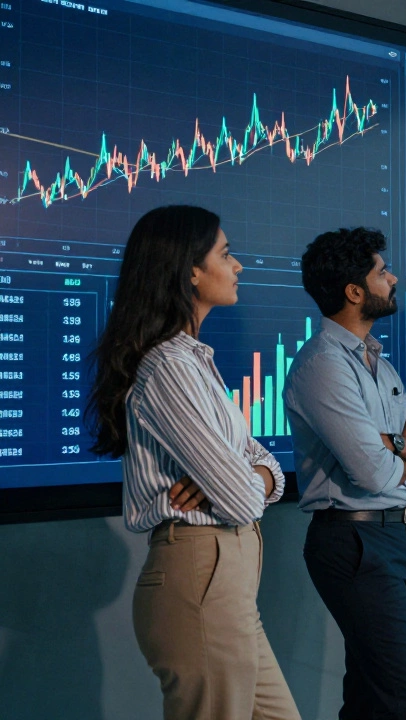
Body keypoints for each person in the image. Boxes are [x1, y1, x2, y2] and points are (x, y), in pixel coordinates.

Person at [87, 205, 300, 720]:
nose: (238, 266)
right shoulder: (169, 367)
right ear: (191, 272)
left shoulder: (192, 361)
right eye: (226, 254)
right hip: (203, 576)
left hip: (226, 584)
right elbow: (242, 499)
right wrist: (245, 479)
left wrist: (251, 473)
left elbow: (260, 465)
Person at [283, 227, 406, 720]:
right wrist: (402, 449)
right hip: (354, 543)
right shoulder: (323, 365)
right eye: (382, 271)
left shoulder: (380, 364)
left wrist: (393, 443)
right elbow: (371, 473)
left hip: (394, 538)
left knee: (372, 697)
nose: (392, 278)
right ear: (354, 292)